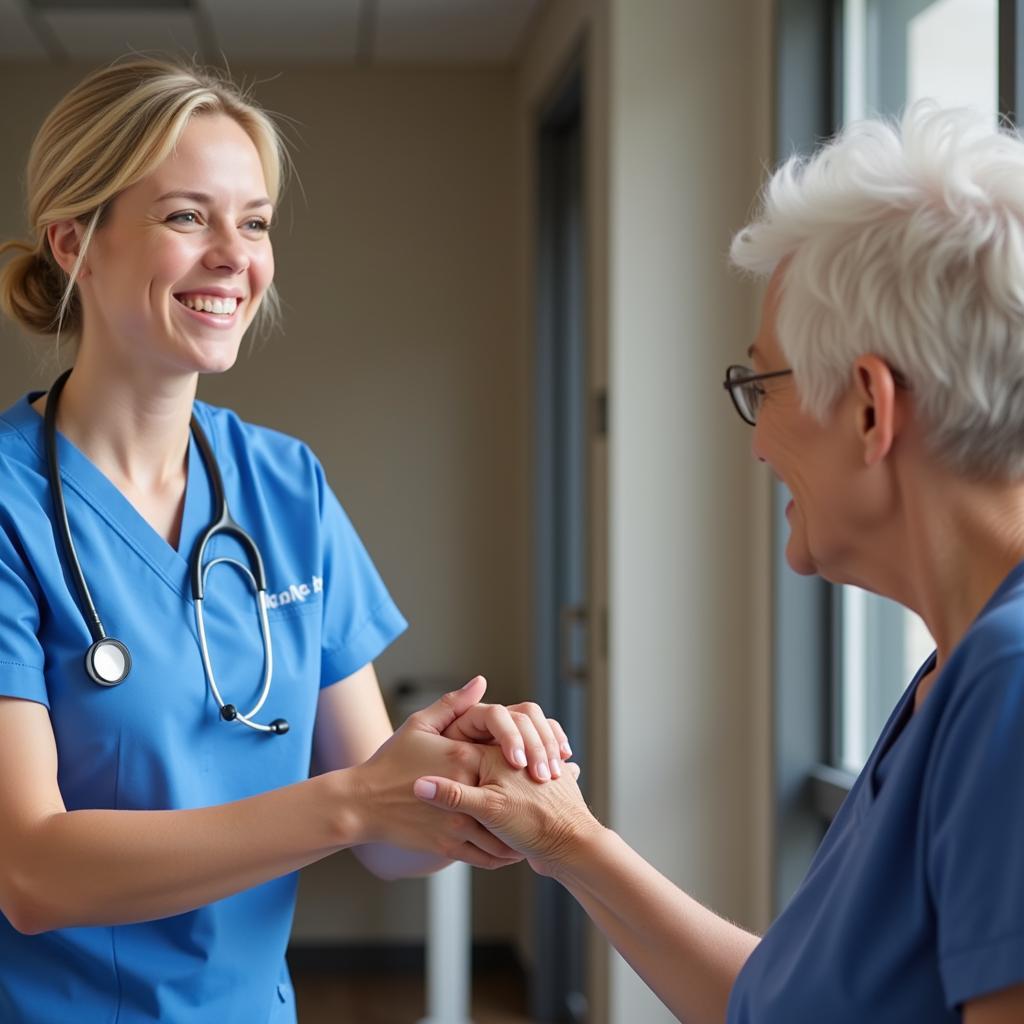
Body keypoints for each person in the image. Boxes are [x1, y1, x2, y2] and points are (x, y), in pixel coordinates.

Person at [413, 102, 1024, 1023]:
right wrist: (564, 836)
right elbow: (781, 1003)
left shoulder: (1010, 682)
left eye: (762, 386)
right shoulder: (959, 669)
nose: (757, 445)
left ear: (869, 407)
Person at [0, 58, 571, 1023]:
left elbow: (386, 843)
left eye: (254, 221)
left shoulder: (283, 484)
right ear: (74, 243)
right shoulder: (12, 511)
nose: (235, 255)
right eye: (188, 216)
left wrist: (467, 789)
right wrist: (349, 802)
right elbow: (33, 871)